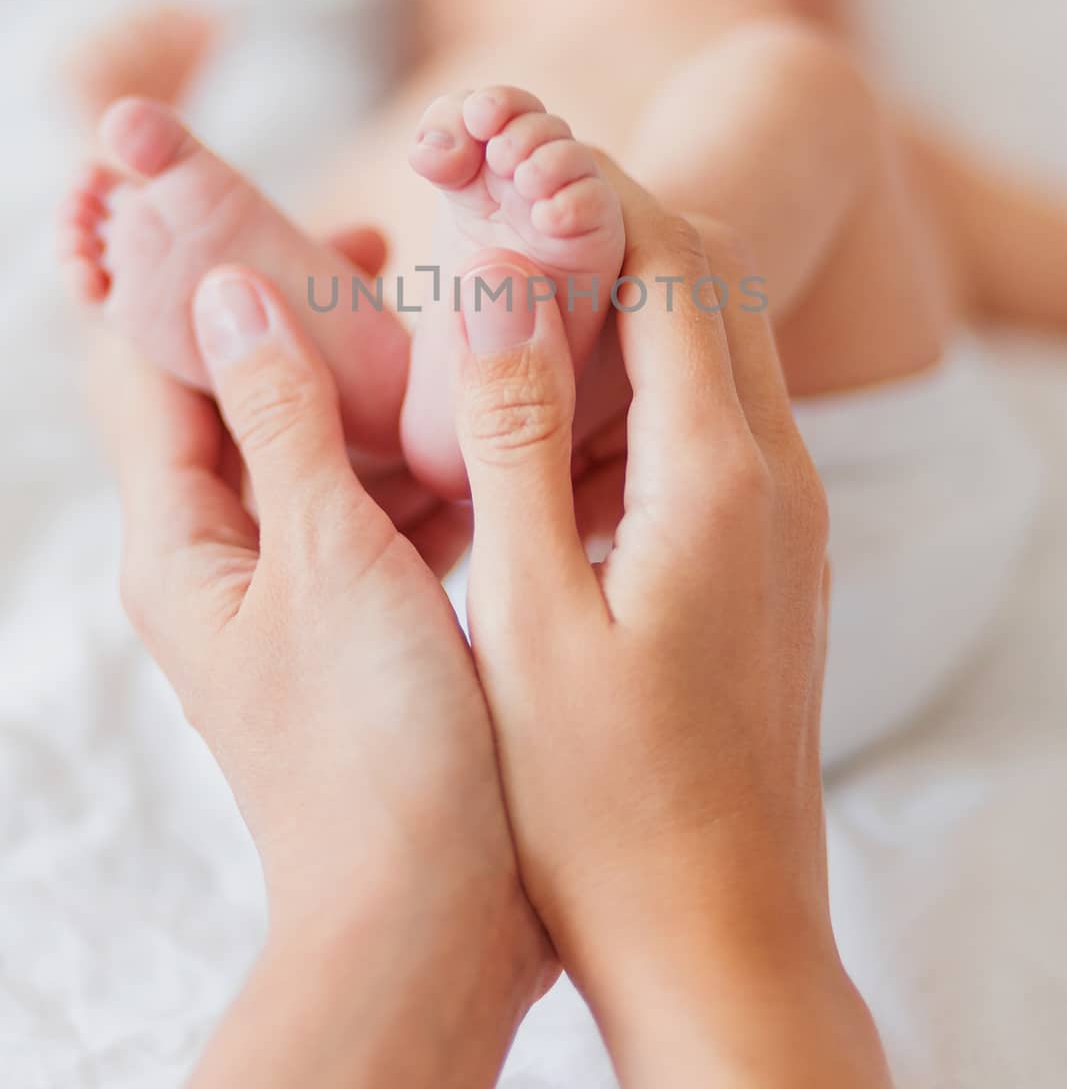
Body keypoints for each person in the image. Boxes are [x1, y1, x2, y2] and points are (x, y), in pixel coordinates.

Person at [59, 0, 1048, 761]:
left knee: (797, 85)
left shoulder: (834, 96)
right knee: (228, 310)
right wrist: (166, 143)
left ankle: (584, 356)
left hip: (819, 547)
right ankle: (410, 399)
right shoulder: (379, 137)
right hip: (433, 601)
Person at [99, 166, 894, 1086]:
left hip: (501, 624)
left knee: (200, 314)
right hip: (761, 606)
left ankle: (398, 386)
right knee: (777, 89)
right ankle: (503, 356)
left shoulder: (366, 150)